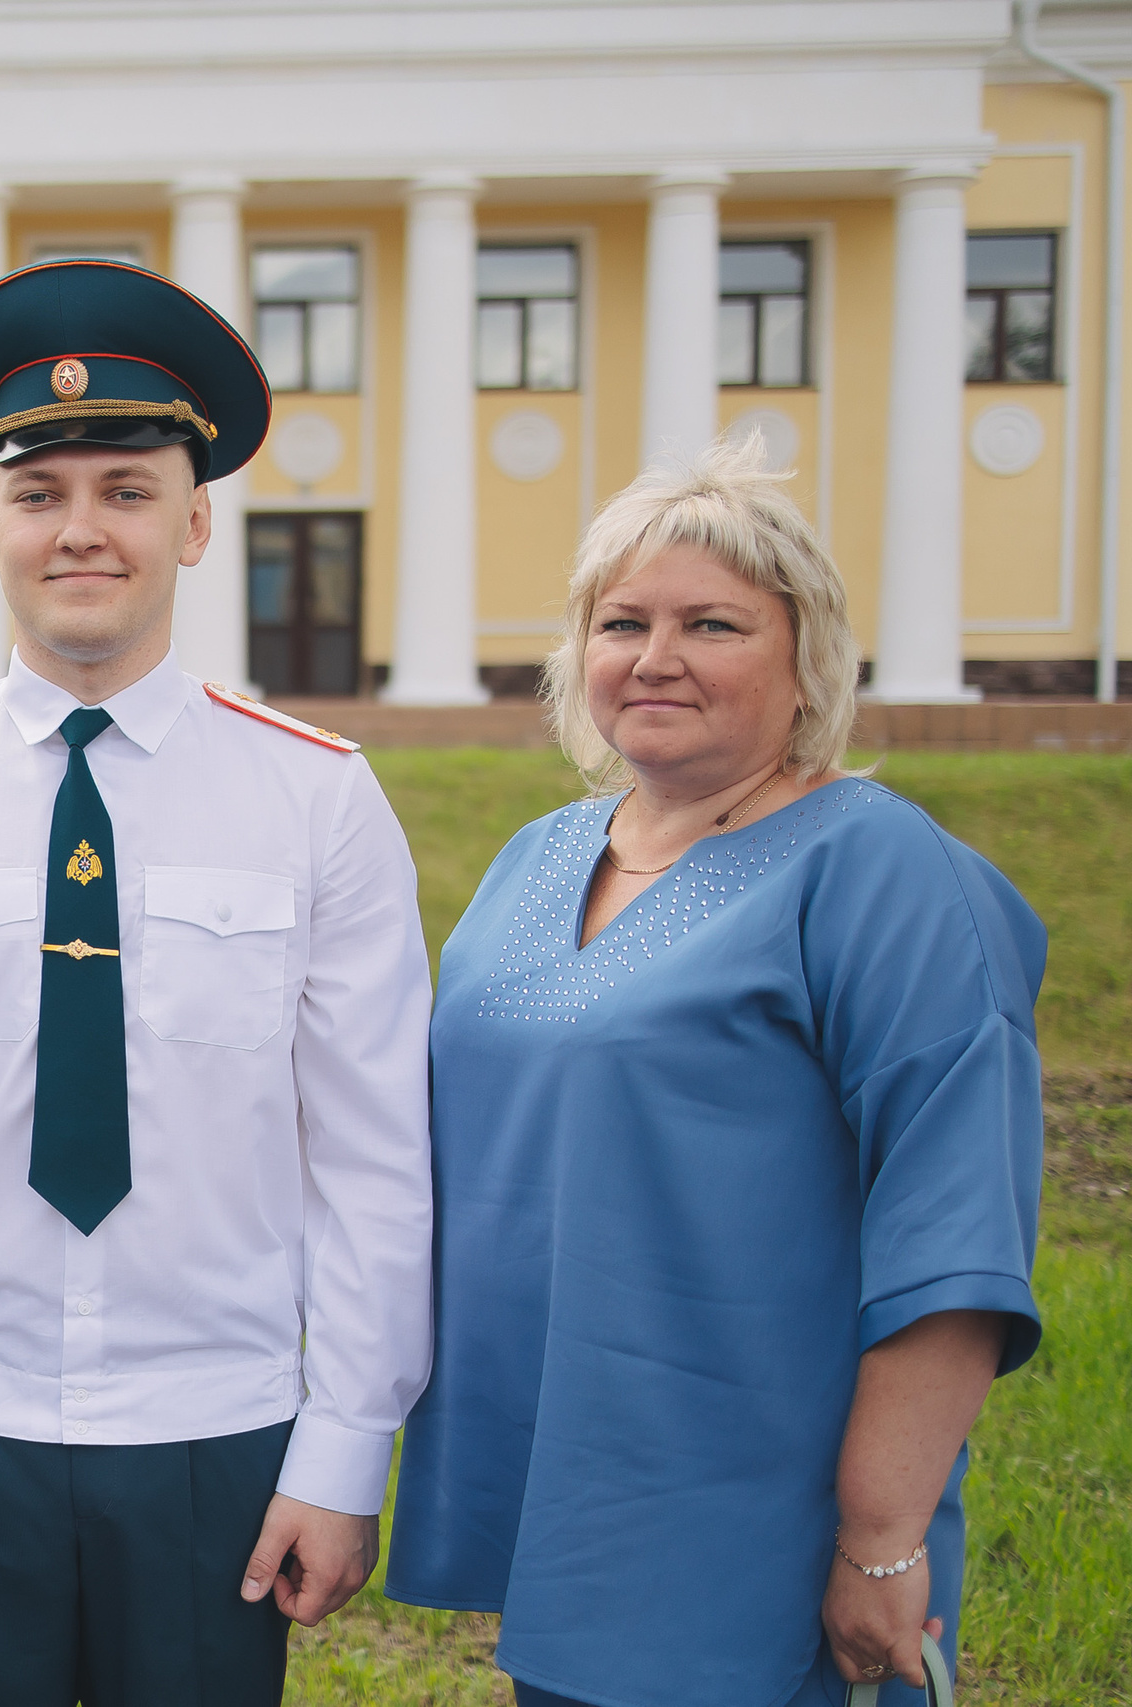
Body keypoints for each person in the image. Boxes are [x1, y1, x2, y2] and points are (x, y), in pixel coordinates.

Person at [0, 258, 437, 1706]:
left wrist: (341, 1442)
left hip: (222, 1428)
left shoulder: (319, 802)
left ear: (195, 524)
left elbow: (376, 1155)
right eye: (43, 491)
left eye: (127, 490)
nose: (83, 529)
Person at [385, 441, 1045, 1707]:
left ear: (807, 661)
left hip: (765, 1527)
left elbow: (952, 1234)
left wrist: (879, 1537)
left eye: (712, 623)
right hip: (572, 1499)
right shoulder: (542, 853)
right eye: (620, 621)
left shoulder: (883, 874)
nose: (655, 656)